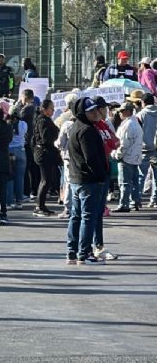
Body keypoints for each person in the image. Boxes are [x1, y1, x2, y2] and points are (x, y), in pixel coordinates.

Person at [66, 97, 108, 264]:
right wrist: (100, 176)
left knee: (76, 216)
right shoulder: (87, 131)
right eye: (91, 110)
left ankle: (72, 251)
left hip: (77, 178)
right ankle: (84, 253)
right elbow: (91, 158)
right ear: (83, 113)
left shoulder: (77, 127)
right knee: (87, 217)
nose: (96, 113)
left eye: (96, 109)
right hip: (88, 180)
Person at [32, 99, 61, 217]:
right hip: (44, 153)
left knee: (46, 180)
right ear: (44, 109)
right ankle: (39, 206)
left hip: (45, 153)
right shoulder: (42, 121)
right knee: (45, 180)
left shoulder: (44, 120)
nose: (53, 111)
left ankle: (42, 205)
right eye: (51, 109)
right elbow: (45, 138)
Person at [113, 102, 143, 213]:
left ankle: (124, 204)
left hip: (127, 157)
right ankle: (134, 201)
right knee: (134, 182)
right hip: (135, 156)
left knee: (124, 182)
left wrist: (117, 155)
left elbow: (124, 144)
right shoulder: (135, 123)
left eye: (121, 111)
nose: (119, 113)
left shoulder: (128, 124)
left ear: (126, 111)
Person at [136, 93, 157, 208]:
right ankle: (154, 200)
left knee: (141, 176)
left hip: (144, 149)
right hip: (156, 149)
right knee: (156, 176)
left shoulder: (140, 115)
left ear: (143, 103)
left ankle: (137, 200)